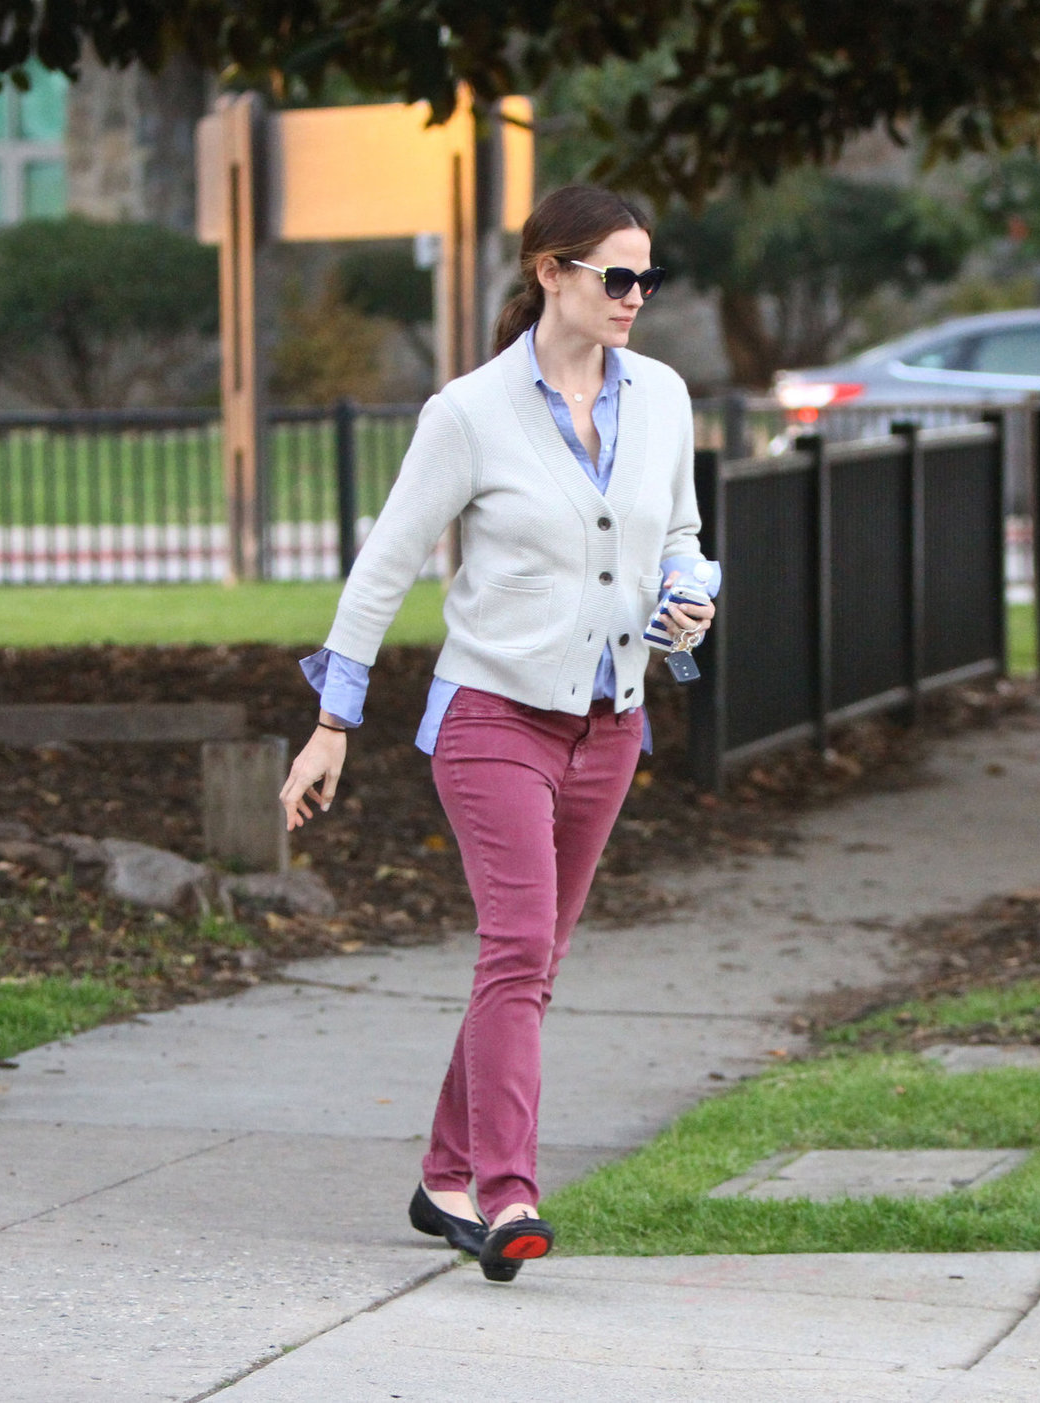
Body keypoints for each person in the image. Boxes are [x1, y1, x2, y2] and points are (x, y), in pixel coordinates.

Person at [278, 184, 719, 1284]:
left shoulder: (662, 397)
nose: (635, 297)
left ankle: (443, 1170)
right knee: (517, 947)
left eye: (646, 279)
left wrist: (691, 593)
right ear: (551, 274)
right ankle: (508, 1191)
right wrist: (333, 721)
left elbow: (685, 534)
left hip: (611, 724)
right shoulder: (468, 413)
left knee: (532, 960)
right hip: (492, 718)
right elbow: (382, 569)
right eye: (616, 276)